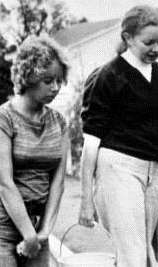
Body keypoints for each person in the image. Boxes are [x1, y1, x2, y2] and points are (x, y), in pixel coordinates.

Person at [78, 5, 158, 267]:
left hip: (153, 171)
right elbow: (90, 144)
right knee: (132, 255)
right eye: (149, 42)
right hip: (117, 169)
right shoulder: (108, 76)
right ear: (127, 38)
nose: (156, 49)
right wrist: (86, 200)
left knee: (149, 254)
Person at [0, 35, 69, 266]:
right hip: (4, 228)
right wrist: (27, 233)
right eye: (48, 80)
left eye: (60, 80)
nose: (56, 88)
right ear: (27, 76)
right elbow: (4, 183)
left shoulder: (59, 121)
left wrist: (44, 231)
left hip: (39, 227)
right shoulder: (4, 118)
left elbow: (58, 181)